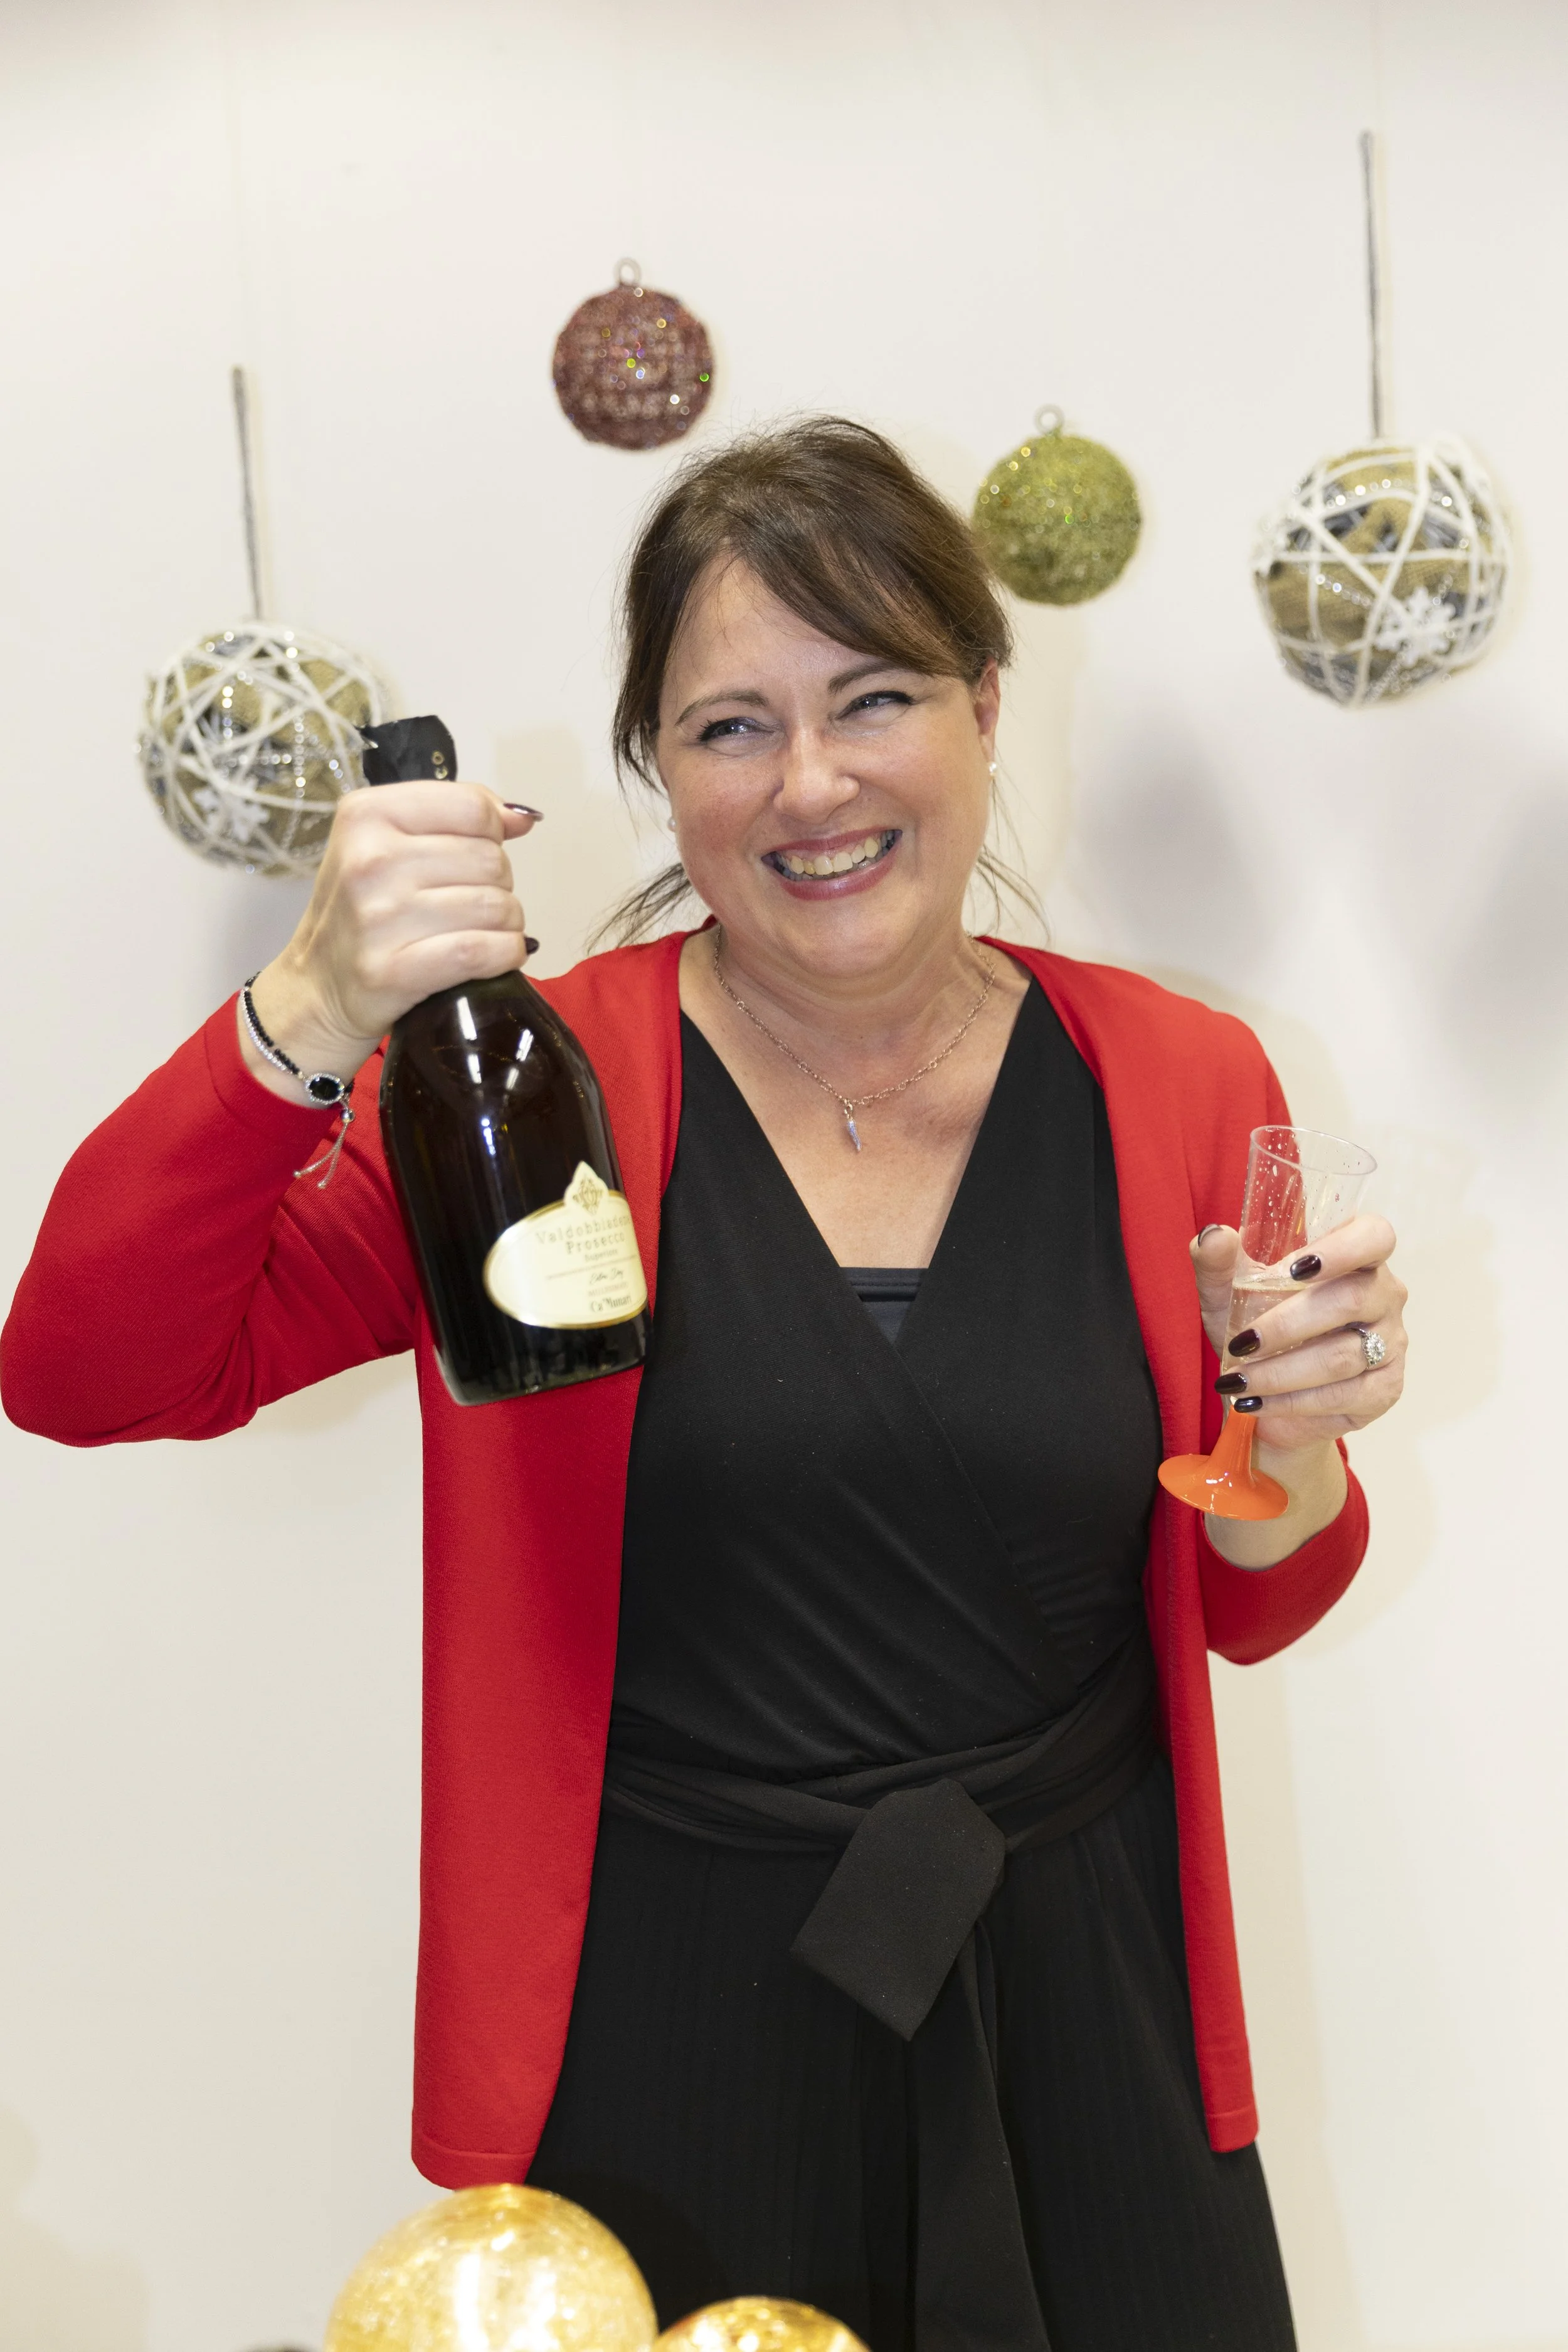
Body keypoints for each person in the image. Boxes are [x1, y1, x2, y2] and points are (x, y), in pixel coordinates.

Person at [2, 420, 1407, 2352]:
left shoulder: (1175, 1077)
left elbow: (1255, 1589)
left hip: (1089, 1996)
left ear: (986, 706)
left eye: (874, 696)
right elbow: (87, 1368)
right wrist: (308, 1010)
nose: (810, 783)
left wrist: (1307, 1447)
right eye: (729, 725)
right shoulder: (514, 1089)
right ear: (654, 774)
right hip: (665, 2010)